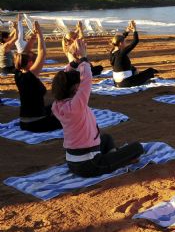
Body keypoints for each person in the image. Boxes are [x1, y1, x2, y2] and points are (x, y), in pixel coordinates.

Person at [51, 38, 144, 177]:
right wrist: (83, 58)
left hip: (73, 161)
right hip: (90, 164)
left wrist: (74, 62)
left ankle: (114, 157)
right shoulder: (77, 104)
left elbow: (64, 78)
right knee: (138, 147)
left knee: (106, 138)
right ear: (76, 88)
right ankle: (116, 161)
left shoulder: (57, 105)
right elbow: (87, 79)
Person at [13, 21, 62, 132]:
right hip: (37, 123)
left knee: (56, 105)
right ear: (30, 63)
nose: (35, 58)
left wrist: (33, 37)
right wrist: (40, 33)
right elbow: (42, 52)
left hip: (24, 122)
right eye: (33, 59)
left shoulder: (18, 74)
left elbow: (24, 53)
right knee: (68, 119)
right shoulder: (30, 77)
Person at [109, 20, 157, 87]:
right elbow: (135, 41)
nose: (126, 43)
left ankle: (142, 79)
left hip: (116, 83)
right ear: (120, 43)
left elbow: (119, 39)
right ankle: (148, 82)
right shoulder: (122, 52)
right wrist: (134, 30)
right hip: (126, 83)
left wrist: (127, 31)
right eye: (125, 42)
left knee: (133, 68)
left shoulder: (112, 51)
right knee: (150, 70)